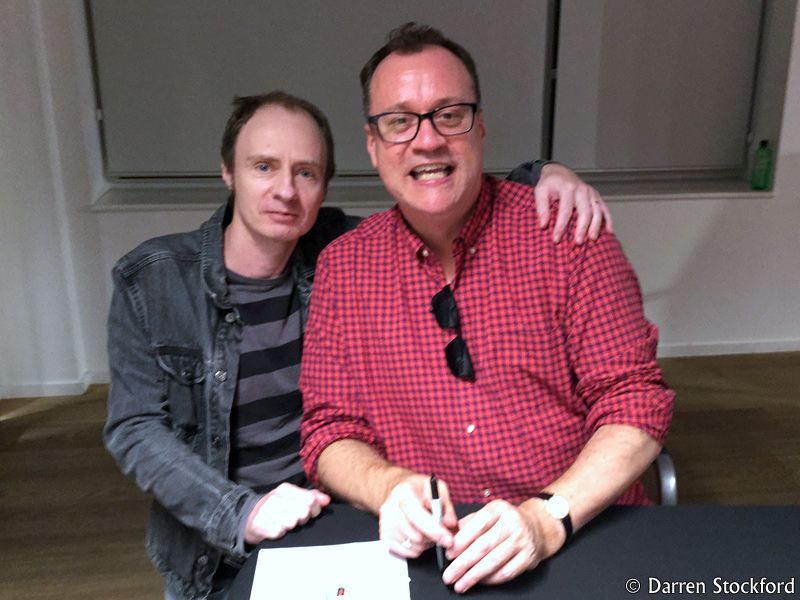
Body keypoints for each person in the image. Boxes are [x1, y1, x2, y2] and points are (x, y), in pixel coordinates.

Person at [104, 90, 610, 600]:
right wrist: (241, 511)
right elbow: (134, 428)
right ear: (228, 172)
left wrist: (545, 173)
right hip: (215, 545)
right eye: (263, 166)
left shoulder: (340, 252)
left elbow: (440, 201)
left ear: (324, 186)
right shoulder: (153, 281)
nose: (285, 190)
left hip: (342, 518)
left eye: (306, 172)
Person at [299, 23, 674, 595]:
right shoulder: (343, 268)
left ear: (480, 127)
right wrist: (387, 487)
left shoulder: (568, 233)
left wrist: (547, 519)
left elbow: (634, 399)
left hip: (580, 527)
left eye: (449, 113)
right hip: (436, 553)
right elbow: (329, 431)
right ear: (372, 145)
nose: (427, 141)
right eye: (399, 121)